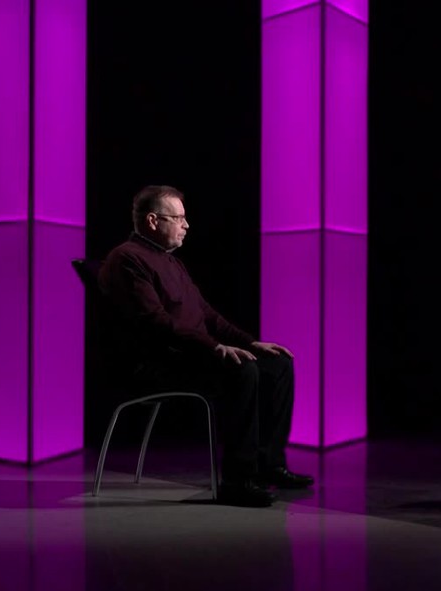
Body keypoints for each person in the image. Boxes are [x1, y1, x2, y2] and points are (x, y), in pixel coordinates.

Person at [98, 184, 314, 508]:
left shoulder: (172, 262)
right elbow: (156, 322)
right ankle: (238, 481)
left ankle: (269, 464)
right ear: (153, 221)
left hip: (191, 356)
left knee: (278, 365)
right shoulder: (126, 259)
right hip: (158, 365)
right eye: (178, 218)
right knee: (243, 371)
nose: (186, 225)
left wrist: (250, 342)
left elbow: (208, 315)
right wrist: (214, 348)